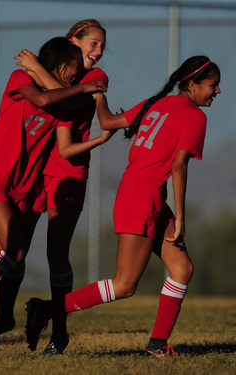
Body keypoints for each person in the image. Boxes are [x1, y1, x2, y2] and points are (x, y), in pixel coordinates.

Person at [0, 37, 108, 349]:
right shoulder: (22, 78)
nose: (76, 78)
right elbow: (42, 100)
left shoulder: (65, 102)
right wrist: (77, 86)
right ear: (58, 65)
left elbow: (66, 110)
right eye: (71, 73)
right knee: (13, 250)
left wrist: (94, 117)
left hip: (27, 189)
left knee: (0, 261)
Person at [59, 55, 220, 357]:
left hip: (143, 196)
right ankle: (49, 311)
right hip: (142, 200)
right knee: (124, 285)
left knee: (182, 268)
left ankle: (157, 345)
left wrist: (99, 97)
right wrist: (181, 218)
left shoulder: (154, 104)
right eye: (213, 85)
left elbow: (107, 122)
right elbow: (178, 167)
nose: (217, 91)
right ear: (193, 85)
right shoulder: (195, 117)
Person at [16, 19, 114, 355]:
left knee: (56, 254)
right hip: (36, 171)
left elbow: (67, 103)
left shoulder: (96, 79)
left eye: (103, 46)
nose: (99, 52)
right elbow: (44, 97)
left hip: (68, 173)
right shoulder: (57, 70)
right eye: (94, 44)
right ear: (73, 41)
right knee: (14, 249)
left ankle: (59, 334)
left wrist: (35, 68)